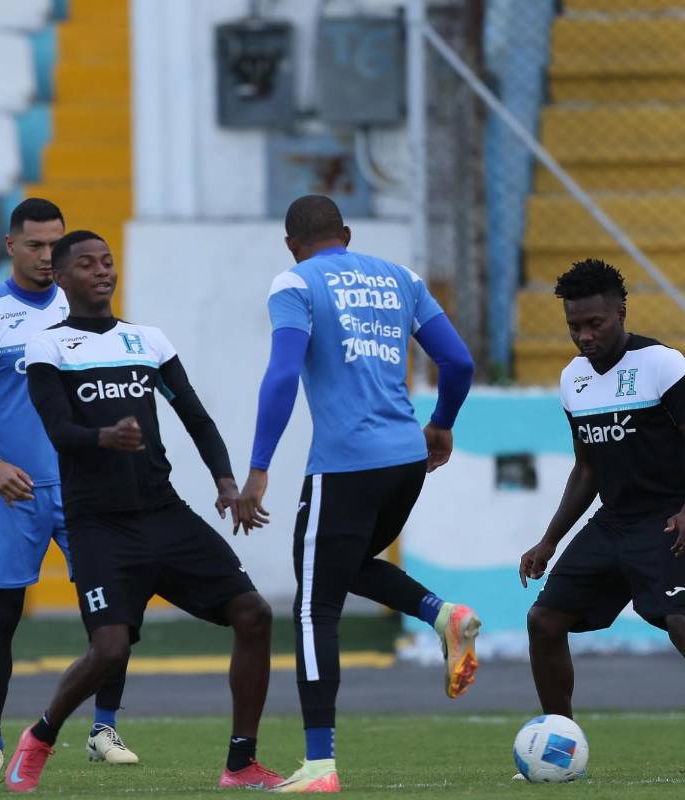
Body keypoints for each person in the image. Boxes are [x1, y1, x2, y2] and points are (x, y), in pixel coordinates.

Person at [3, 230, 280, 793]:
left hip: (164, 513)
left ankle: (241, 763)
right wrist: (106, 436)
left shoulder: (147, 341)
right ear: (61, 277)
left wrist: (226, 484)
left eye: (107, 262)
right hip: (99, 524)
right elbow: (59, 430)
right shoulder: (47, 347)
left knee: (254, 614)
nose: (102, 271)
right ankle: (42, 736)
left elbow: (196, 417)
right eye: (86, 264)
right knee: (109, 650)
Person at [237, 194, 480, 793]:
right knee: (340, 568)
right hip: (406, 461)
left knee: (315, 607)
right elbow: (458, 361)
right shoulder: (402, 279)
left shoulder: (294, 282)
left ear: (291, 243)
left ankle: (320, 765)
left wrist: (260, 466)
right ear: (344, 233)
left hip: (345, 466)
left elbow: (284, 374)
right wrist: (442, 422)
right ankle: (444, 615)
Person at [519, 258, 685, 782]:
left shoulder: (662, 364)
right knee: (544, 621)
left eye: (595, 324)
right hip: (612, 522)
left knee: (680, 623)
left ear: (620, 312)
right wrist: (548, 540)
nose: (584, 336)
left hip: (667, 522)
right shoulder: (573, 379)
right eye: (573, 327)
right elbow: (586, 467)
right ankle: (560, 748)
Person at [0, 198, 139, 771]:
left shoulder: (84, 311)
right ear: (10, 245)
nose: (49, 256)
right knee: (1, 617)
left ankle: (105, 730)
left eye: (56, 244)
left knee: (110, 613)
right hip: (13, 492)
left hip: (84, 490)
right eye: (36, 245)